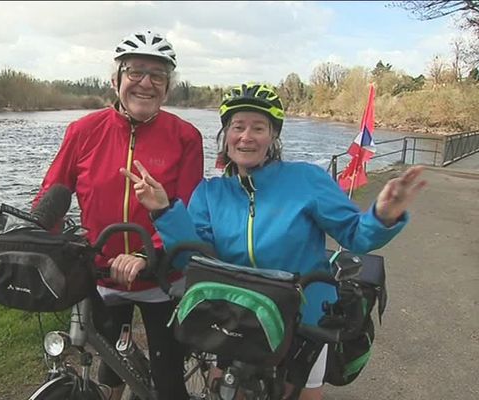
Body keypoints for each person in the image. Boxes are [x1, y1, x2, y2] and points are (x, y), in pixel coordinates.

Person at [120, 83, 426, 400]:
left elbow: (356, 236)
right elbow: (193, 261)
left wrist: (383, 215)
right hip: (234, 316)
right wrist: (164, 210)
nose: (246, 136)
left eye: (258, 128)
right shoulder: (210, 193)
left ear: (273, 137)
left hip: (304, 317)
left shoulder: (306, 180)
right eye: (237, 127)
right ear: (226, 135)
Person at [33, 30, 204, 400]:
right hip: (102, 272)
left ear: (168, 88)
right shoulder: (83, 131)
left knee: (168, 379)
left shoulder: (185, 136)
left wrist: (148, 254)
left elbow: (189, 209)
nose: (145, 83)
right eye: (135, 72)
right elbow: (53, 192)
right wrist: (35, 237)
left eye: (157, 75)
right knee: (109, 363)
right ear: (116, 81)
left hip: (162, 277)